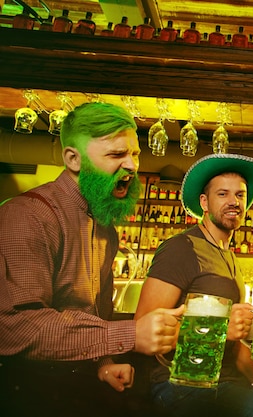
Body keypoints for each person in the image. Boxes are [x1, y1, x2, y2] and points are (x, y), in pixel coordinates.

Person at [0, 102, 183, 417]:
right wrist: (129, 335)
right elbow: (17, 326)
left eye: (135, 154)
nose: (132, 166)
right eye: (116, 155)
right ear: (73, 158)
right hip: (25, 392)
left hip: (75, 390)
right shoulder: (27, 215)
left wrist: (104, 362)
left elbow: (89, 312)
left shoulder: (103, 224)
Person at [134, 153, 253, 417]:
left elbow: (235, 348)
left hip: (225, 383)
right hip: (181, 384)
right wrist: (220, 328)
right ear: (204, 202)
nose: (234, 202)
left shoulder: (229, 256)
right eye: (223, 194)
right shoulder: (181, 248)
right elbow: (143, 330)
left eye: (240, 195)